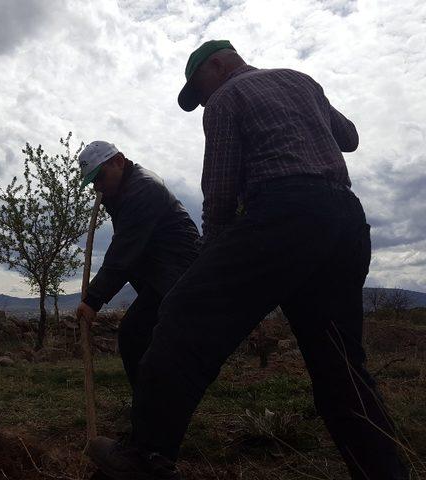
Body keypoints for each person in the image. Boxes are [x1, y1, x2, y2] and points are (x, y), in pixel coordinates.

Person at [86, 41, 408, 480]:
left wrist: (211, 259)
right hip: (344, 222)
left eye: (198, 89)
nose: (200, 100)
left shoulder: (225, 99)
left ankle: (145, 456)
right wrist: (307, 110)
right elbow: (348, 137)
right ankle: (386, 473)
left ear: (220, 64)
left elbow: (218, 194)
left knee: (181, 314)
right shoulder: (302, 81)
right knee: (340, 364)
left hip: (281, 214)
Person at [75, 141, 199, 389]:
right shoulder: (123, 191)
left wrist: (92, 300)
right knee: (155, 339)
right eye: (92, 182)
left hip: (178, 272)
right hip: (161, 272)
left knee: (134, 334)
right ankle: (157, 402)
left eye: (100, 176)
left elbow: (123, 253)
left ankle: (150, 408)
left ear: (119, 161)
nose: (97, 186)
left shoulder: (142, 190)